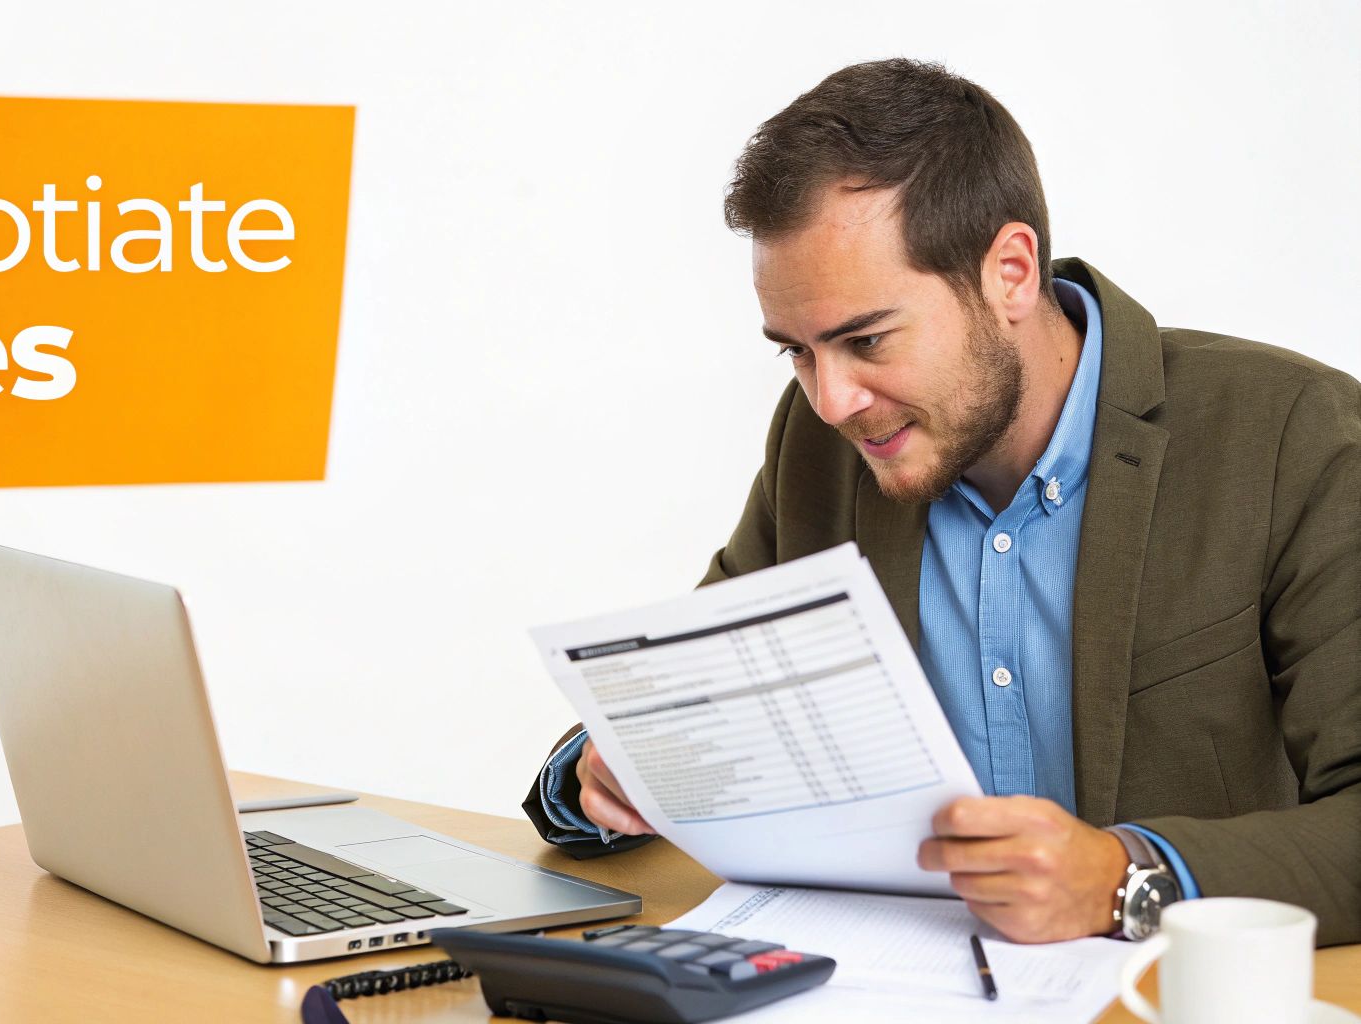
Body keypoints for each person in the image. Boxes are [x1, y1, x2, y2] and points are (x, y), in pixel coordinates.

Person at [523, 58, 1360, 946]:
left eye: (866, 340)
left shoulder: (1292, 436)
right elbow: (698, 705)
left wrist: (1122, 878)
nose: (832, 400)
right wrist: (611, 767)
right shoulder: (821, 443)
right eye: (796, 352)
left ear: (1011, 273)